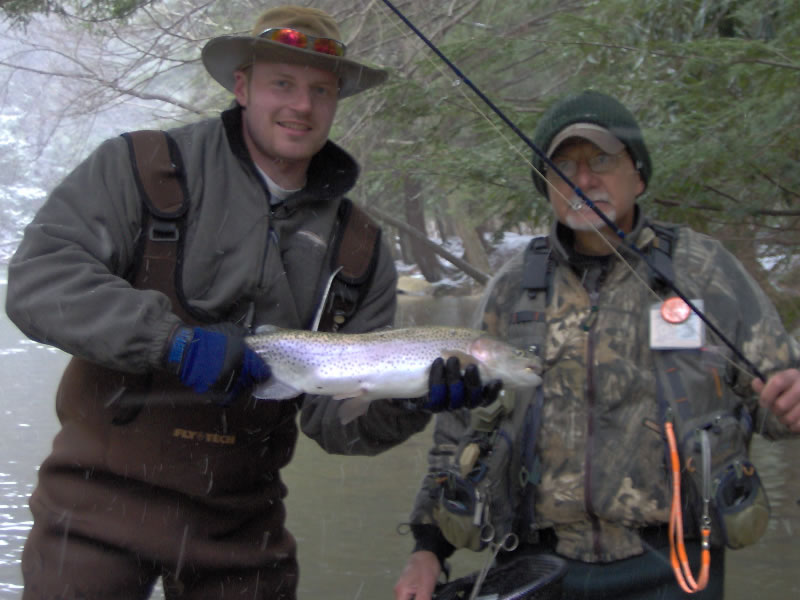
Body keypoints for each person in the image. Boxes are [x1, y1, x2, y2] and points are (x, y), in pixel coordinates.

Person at [5, 6, 500, 599]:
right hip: (95, 508)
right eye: (282, 83)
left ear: (337, 101)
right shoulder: (140, 167)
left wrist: (416, 395)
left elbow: (338, 428)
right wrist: (172, 341)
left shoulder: (360, 247)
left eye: (321, 89)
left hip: (240, 523)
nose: (302, 105)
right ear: (242, 87)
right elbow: (38, 280)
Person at [394, 90, 800, 600]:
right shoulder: (513, 285)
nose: (582, 180)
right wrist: (428, 548)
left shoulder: (705, 270)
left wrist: (791, 401)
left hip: (675, 568)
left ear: (640, 176)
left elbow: (776, 399)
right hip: (536, 566)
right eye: (563, 165)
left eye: (602, 161)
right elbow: (457, 428)